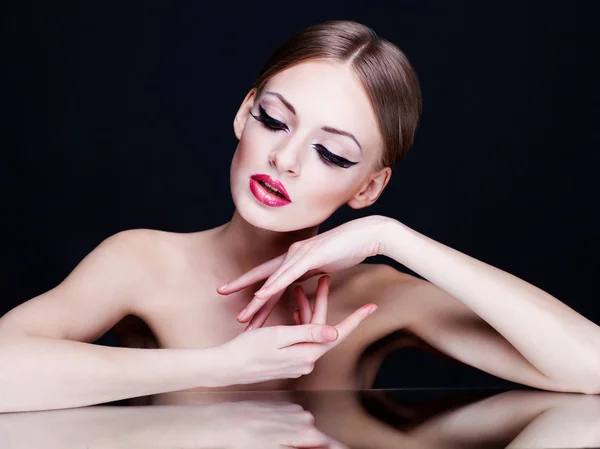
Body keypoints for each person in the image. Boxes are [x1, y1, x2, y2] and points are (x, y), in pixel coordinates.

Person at [1, 19, 598, 413]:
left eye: (331, 152)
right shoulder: (142, 261)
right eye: (274, 119)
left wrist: (393, 238)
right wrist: (222, 366)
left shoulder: (380, 298)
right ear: (243, 114)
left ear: (369, 187)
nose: (285, 158)